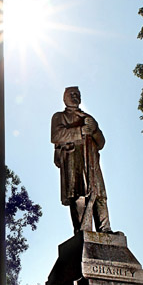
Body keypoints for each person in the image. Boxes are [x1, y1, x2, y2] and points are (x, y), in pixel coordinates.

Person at [51, 86, 112, 233]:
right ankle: (82, 231)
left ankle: (105, 229)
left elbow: (101, 143)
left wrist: (95, 130)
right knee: (78, 195)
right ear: (64, 98)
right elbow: (56, 136)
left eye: (77, 94)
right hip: (73, 159)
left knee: (99, 195)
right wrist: (80, 131)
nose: (74, 96)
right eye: (71, 94)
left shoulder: (88, 118)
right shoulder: (59, 116)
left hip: (91, 161)